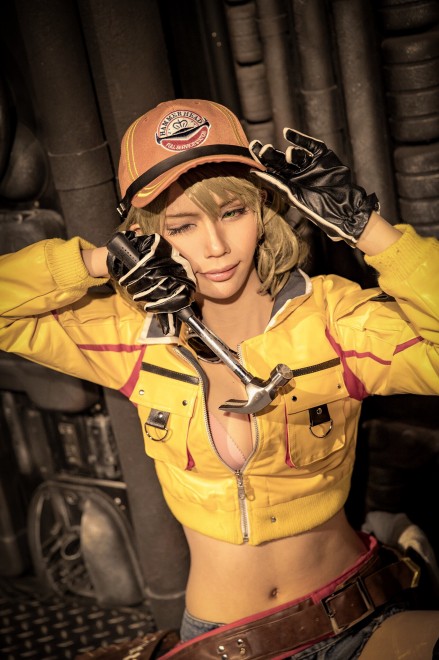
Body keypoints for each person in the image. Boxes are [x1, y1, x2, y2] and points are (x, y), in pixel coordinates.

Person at [1, 98, 438, 659]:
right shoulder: (130, 335)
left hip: (359, 614)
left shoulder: (332, 319)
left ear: (263, 208)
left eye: (232, 212)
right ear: (147, 235)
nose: (215, 247)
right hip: (226, 642)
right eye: (182, 225)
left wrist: (368, 227)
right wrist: (96, 263)